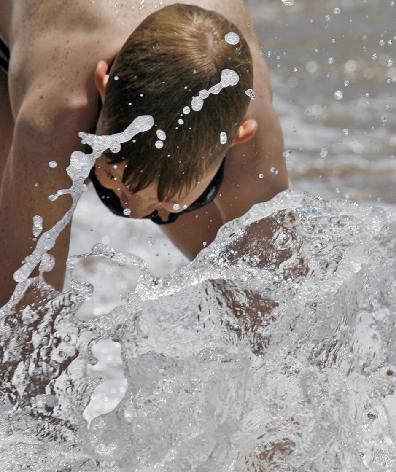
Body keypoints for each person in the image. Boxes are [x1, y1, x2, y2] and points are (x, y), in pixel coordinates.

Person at [0, 1, 288, 307]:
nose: (134, 210)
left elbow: (283, 299)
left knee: (258, 292)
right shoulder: (55, 118)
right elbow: (20, 315)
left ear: (238, 138)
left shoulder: (254, 136)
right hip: (27, 26)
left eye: (171, 199)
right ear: (103, 86)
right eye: (113, 175)